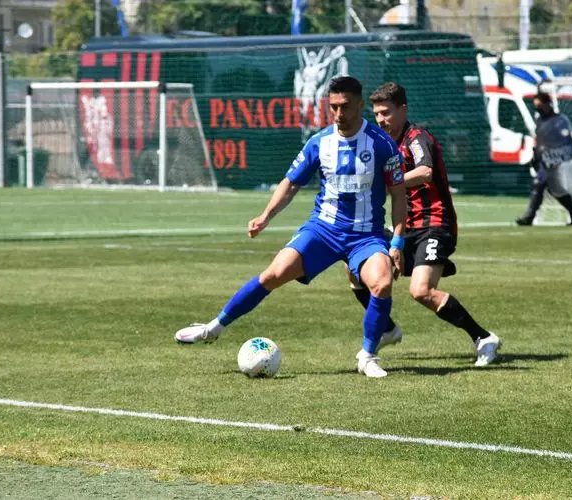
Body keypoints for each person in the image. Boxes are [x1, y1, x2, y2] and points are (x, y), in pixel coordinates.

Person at [174, 76, 407, 379]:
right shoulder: (319, 142)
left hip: (366, 235)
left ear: (360, 105)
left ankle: (367, 356)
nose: (339, 113)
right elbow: (290, 183)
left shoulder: (382, 145)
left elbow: (399, 195)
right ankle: (213, 328)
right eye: (333, 106)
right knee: (273, 274)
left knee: (382, 282)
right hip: (323, 231)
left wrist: (397, 242)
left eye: (346, 106)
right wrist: (265, 216)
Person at [346, 82, 502, 367]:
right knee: (354, 266)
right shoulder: (381, 144)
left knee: (421, 291)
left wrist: (387, 183)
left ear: (403, 110)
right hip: (403, 228)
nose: (380, 119)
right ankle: (387, 329)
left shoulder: (417, 137)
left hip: (434, 224)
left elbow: (425, 172)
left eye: (386, 112)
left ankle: (483, 338)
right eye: (377, 114)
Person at [515, 90, 572, 226]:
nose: (538, 109)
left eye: (540, 105)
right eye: (536, 106)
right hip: (544, 159)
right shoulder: (539, 120)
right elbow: (539, 141)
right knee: (554, 188)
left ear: (547, 104)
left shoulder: (559, 121)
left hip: (556, 159)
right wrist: (535, 156)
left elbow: (566, 139)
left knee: (539, 183)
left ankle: (529, 216)